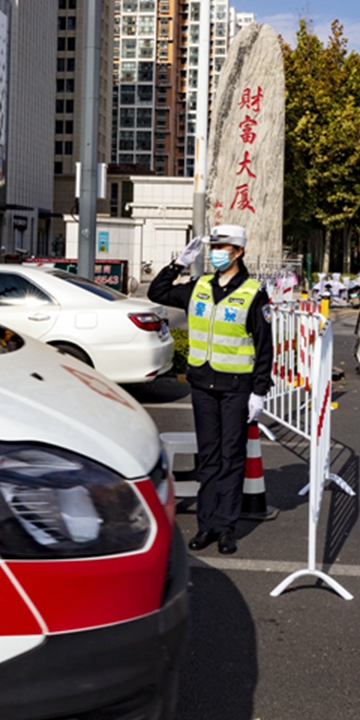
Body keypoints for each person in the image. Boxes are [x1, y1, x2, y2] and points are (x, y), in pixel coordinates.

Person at [149, 224, 273, 555]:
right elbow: (157, 292)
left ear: (238, 252)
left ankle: (226, 527)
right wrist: (178, 264)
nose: (215, 253)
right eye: (213, 247)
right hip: (203, 384)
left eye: (222, 247)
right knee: (209, 457)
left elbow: (265, 346)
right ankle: (206, 526)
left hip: (236, 387)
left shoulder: (253, 293)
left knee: (231, 458)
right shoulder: (199, 286)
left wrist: (259, 391)